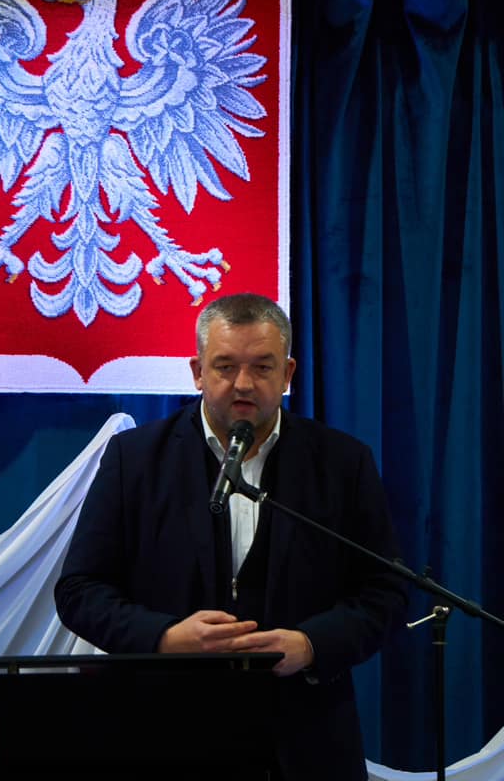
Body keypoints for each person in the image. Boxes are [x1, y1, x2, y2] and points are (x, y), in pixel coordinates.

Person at [55, 293, 407, 780]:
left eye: (262, 368)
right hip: (165, 734)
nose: (243, 384)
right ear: (197, 372)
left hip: (307, 740)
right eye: (225, 367)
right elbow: (79, 591)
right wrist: (165, 637)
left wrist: (311, 644)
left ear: (287, 374)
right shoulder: (132, 460)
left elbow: (385, 592)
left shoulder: (343, 462)